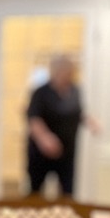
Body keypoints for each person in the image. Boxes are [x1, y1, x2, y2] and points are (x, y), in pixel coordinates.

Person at [26, 54, 98, 196]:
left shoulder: (75, 91)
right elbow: (34, 119)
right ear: (55, 72)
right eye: (66, 71)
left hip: (67, 150)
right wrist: (45, 139)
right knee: (36, 190)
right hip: (42, 151)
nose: (69, 75)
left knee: (67, 190)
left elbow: (78, 112)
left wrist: (91, 122)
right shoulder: (41, 92)